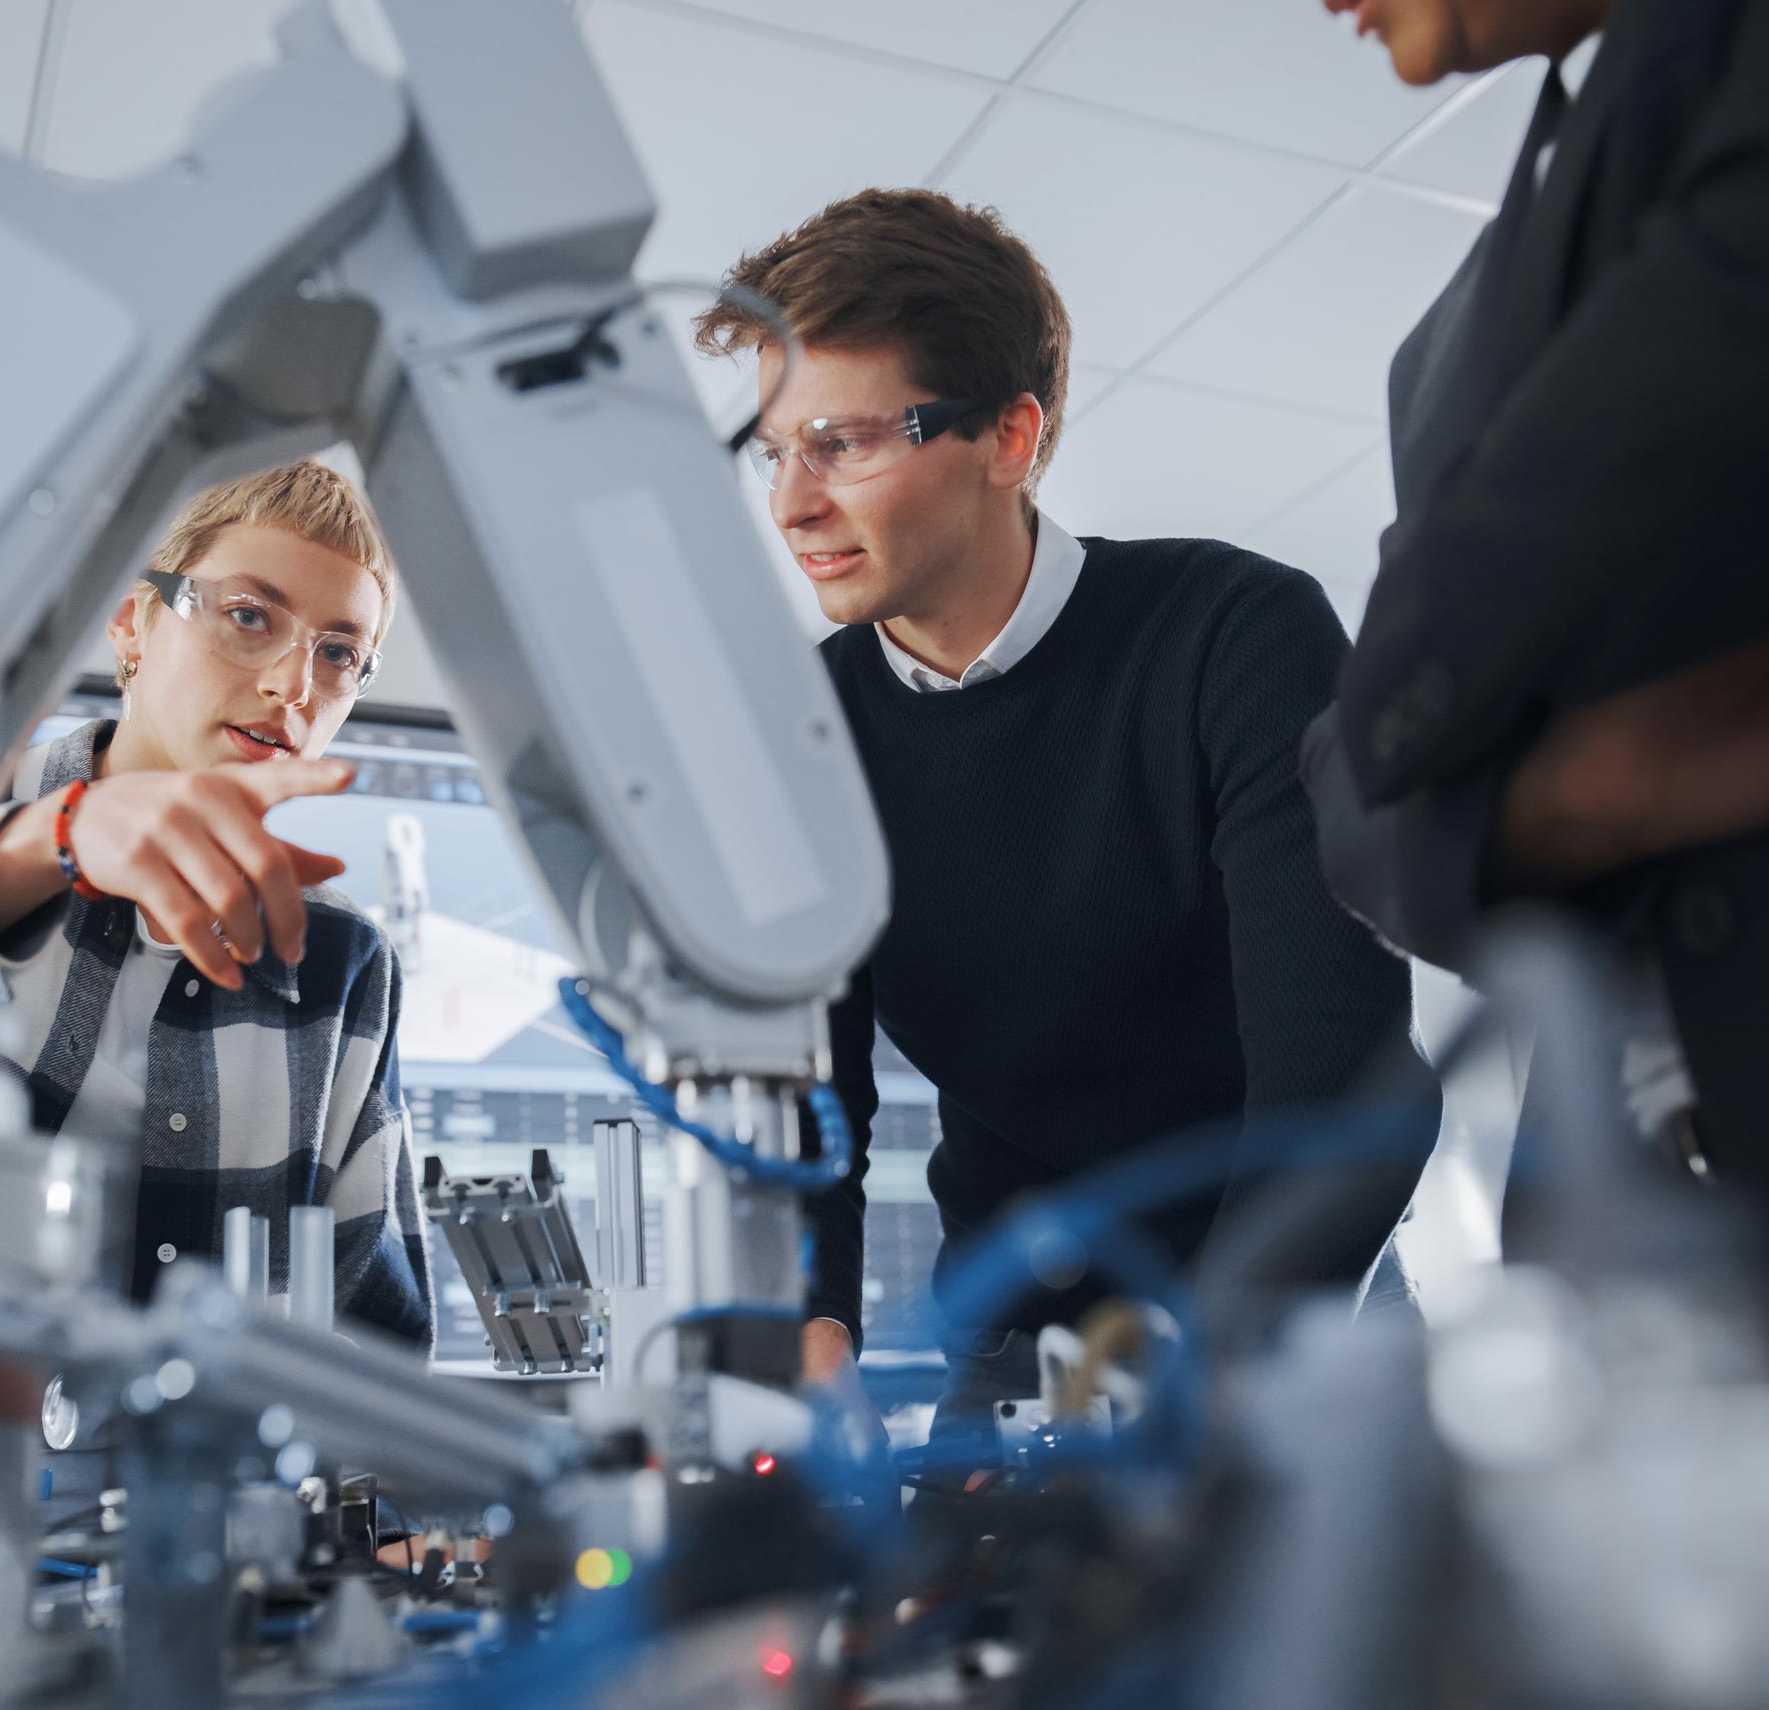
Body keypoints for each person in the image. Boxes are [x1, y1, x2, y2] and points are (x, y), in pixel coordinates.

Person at [693, 190, 1438, 1417]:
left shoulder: (1233, 636)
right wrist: (809, 1318)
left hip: (1287, 1306)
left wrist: (1220, 1374)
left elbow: (1333, 1058)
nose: (791, 505)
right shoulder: (800, 733)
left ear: (1008, 436)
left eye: (844, 443)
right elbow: (804, 1100)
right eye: (776, 453)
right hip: (1014, 1341)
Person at [1306, 0, 1769, 1179]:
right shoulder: (1435, 355)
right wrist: (1575, 797)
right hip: (1629, 1180)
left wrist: (1463, 789)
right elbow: (1351, 778)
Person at [0, 461, 432, 1348]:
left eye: (338, 653)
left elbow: (375, 1331)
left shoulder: (340, 957)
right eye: (250, 617)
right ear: (132, 622)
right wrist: (59, 838)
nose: (294, 687)